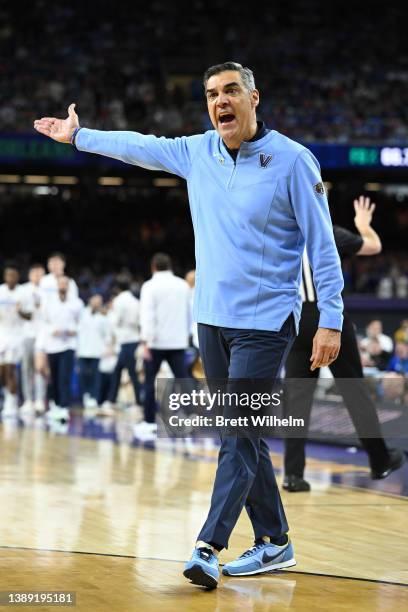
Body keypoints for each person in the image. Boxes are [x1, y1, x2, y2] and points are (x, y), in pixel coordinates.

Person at [34, 61, 344, 589]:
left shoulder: (293, 161)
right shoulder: (197, 152)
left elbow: (323, 247)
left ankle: (208, 544)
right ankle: (276, 541)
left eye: (230, 92)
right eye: (211, 94)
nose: (219, 102)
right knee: (245, 435)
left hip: (266, 323)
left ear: (253, 98)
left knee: (236, 432)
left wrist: (330, 320)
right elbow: (139, 145)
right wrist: (80, 136)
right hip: (211, 321)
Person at [283, 196, 405, 492]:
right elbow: (373, 246)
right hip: (327, 314)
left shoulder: (280, 234)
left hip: (295, 319)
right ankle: (379, 460)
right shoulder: (326, 230)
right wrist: (364, 225)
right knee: (354, 390)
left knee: (296, 400)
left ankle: (292, 475)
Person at [136, 253, 191, 440]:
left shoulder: (149, 286)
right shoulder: (183, 285)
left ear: (153, 267)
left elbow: (147, 315)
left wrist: (145, 341)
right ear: (170, 266)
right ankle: (189, 417)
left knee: (150, 380)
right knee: (182, 379)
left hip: (156, 342)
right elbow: (190, 312)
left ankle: (149, 422)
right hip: (178, 341)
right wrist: (187, 335)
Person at [41, 276, 83, 420]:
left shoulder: (76, 303)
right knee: (54, 377)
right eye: (61, 283)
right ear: (57, 285)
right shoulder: (49, 303)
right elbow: (44, 322)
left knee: (65, 377)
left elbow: (81, 322)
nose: (63, 286)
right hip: (53, 345)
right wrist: (52, 330)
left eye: (66, 283)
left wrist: (74, 330)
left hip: (68, 344)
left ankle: (64, 407)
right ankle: (55, 405)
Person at [104, 280, 141, 410]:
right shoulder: (136, 301)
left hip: (126, 341)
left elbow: (115, 321)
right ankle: (111, 400)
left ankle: (138, 402)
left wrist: (111, 313)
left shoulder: (118, 301)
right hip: (134, 339)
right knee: (118, 371)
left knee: (131, 373)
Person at [0, 263, 31, 417]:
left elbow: (30, 316)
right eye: (8, 275)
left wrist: (20, 312)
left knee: (10, 368)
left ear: (17, 277)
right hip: (1, 334)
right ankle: (7, 397)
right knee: (2, 371)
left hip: (16, 336)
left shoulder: (23, 293)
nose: (10, 278)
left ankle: (11, 403)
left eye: (13, 275)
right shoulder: (0, 291)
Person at [20, 263, 46, 415]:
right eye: (35, 273)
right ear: (30, 275)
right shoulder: (23, 290)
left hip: (42, 335)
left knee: (40, 369)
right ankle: (28, 400)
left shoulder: (48, 291)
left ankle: (39, 400)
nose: (37, 276)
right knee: (26, 368)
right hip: (27, 334)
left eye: (40, 274)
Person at [77, 294, 109, 408]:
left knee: (96, 376)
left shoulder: (104, 317)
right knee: (83, 375)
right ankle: (85, 396)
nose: (97, 303)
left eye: (99, 301)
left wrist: (106, 349)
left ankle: (94, 397)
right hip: (83, 350)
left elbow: (107, 336)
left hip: (97, 351)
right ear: (90, 300)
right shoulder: (82, 314)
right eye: (95, 300)